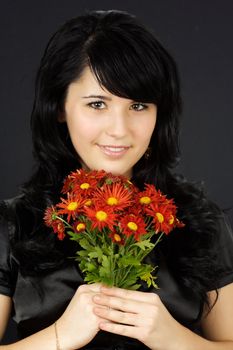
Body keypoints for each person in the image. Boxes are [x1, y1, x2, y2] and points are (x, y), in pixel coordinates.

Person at [0, 9, 233, 350]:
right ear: (60, 108)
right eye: (97, 104)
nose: (120, 130)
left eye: (138, 106)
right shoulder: (12, 226)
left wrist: (174, 339)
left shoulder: (200, 223)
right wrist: (60, 336)